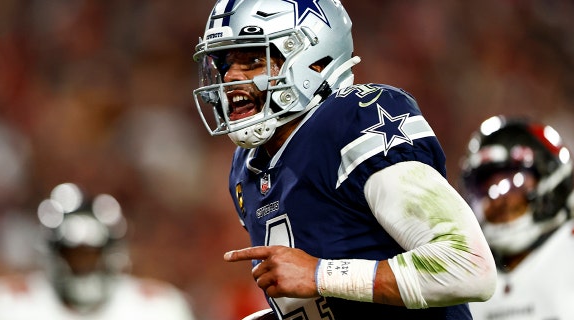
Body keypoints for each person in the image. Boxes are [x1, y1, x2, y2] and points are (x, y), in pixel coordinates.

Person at [191, 0, 497, 319]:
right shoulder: (248, 167)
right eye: (225, 64)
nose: (229, 79)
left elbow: (467, 265)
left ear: (315, 62)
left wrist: (320, 275)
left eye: (253, 59)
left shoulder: (353, 121)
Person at [0, 182, 196, 320]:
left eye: (91, 254)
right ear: (54, 254)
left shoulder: (157, 308)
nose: (83, 265)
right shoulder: (13, 305)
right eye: (74, 254)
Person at [459, 115, 574, 320]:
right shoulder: (465, 274)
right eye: (486, 189)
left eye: (514, 184)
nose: (500, 201)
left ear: (550, 183)